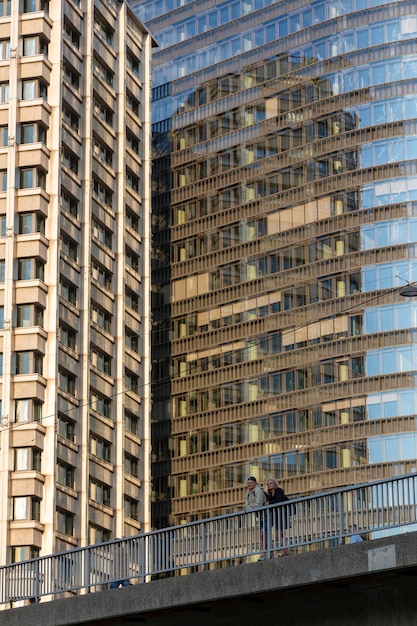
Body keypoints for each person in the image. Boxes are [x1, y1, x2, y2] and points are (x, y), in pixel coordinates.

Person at [261, 478, 290, 558]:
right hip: (276, 516)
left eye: (270, 483)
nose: (268, 485)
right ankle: (286, 552)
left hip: (282, 514)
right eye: (267, 484)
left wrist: (269, 503)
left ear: (274, 484)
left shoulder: (279, 491)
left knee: (279, 535)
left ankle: (287, 552)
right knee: (279, 536)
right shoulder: (270, 494)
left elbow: (279, 501)